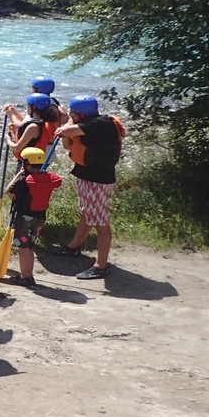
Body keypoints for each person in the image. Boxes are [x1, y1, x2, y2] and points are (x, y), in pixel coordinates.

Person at [54, 95, 126, 279]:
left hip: (99, 180)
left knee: (101, 222)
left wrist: (64, 124)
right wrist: (65, 125)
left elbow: (67, 132)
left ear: (81, 113)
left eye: (72, 112)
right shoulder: (87, 124)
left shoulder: (99, 124)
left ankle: (101, 266)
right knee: (87, 213)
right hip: (88, 175)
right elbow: (66, 143)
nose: (70, 115)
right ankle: (73, 247)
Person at [2, 147, 63, 286]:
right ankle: (29, 275)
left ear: (26, 164)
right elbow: (57, 181)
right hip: (40, 217)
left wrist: (17, 176)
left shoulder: (24, 180)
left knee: (23, 247)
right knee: (30, 246)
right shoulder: (49, 178)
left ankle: (25, 277)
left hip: (24, 217)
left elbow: (9, 192)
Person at [5, 94, 59, 158]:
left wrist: (8, 140)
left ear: (33, 107)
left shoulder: (33, 127)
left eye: (28, 105)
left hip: (29, 163)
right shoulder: (45, 122)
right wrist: (14, 113)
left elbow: (17, 148)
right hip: (37, 160)